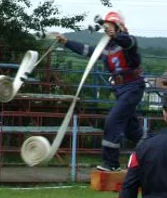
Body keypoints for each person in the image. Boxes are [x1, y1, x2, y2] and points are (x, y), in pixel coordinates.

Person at [54, 11, 145, 172]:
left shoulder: (128, 42)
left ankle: (111, 163)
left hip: (132, 88)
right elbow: (87, 50)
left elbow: (128, 42)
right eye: (106, 28)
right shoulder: (107, 49)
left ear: (118, 27)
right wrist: (66, 42)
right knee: (132, 130)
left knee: (112, 121)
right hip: (120, 90)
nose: (107, 31)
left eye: (110, 27)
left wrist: (116, 35)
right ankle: (151, 144)